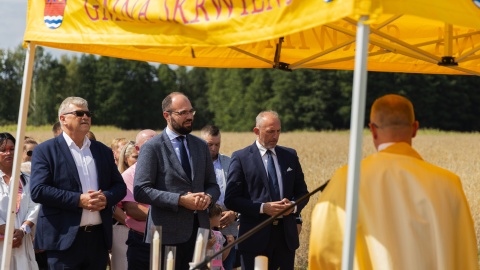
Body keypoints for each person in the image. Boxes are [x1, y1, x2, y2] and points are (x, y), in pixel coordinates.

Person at [308, 94, 478, 270]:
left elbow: (323, 251)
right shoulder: (449, 184)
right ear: (415, 128)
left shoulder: (346, 180)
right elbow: (464, 255)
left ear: (372, 130)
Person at [30, 96, 127, 270]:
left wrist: (105, 198)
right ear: (63, 119)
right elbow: (38, 190)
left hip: (98, 240)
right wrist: (78, 200)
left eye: (88, 113)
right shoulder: (45, 150)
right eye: (79, 113)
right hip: (63, 240)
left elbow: (119, 187)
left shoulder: (102, 151)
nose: (86, 117)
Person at [134, 92, 220, 270]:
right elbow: (141, 190)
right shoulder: (152, 147)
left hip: (200, 234)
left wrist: (208, 198)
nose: (189, 117)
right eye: (183, 113)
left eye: (191, 112)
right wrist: (180, 200)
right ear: (167, 115)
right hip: (166, 236)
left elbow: (212, 185)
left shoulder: (201, 146)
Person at [224, 110, 309, 270]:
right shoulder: (241, 158)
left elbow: (303, 193)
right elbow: (231, 199)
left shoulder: (290, 155)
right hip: (254, 239)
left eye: (278, 131)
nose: (275, 136)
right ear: (256, 131)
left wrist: (292, 206)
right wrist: (263, 208)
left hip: (285, 240)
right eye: (270, 132)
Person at [200, 125, 238, 270]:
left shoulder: (231, 163)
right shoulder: (194, 164)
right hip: (203, 227)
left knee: (225, 267)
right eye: (210, 144)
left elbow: (240, 192)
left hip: (227, 226)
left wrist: (234, 213)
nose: (214, 148)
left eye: (217, 144)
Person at [0, 132, 40, 269]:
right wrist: (8, 231)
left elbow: (35, 207)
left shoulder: (27, 180)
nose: (8, 153)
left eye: (12, 149)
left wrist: (22, 231)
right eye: (3, 150)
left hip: (23, 241)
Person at [121, 129, 156, 270]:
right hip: (141, 242)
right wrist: (164, 217)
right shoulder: (129, 175)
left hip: (169, 240)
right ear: (137, 148)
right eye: (149, 144)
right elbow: (132, 209)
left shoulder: (169, 172)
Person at [206, 204, 235, 270]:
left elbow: (221, 258)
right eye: (219, 215)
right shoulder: (202, 235)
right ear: (209, 218)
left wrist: (230, 244)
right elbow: (198, 256)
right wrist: (208, 247)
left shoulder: (218, 235)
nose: (221, 218)